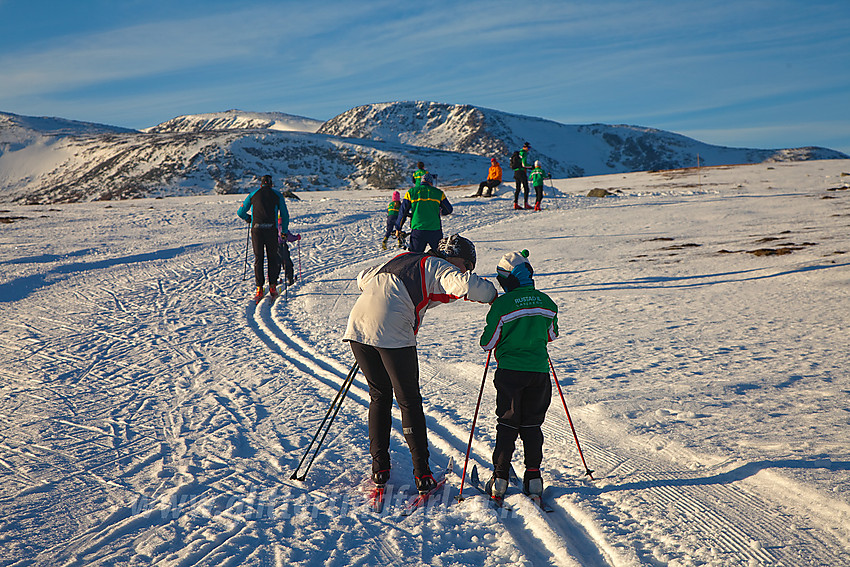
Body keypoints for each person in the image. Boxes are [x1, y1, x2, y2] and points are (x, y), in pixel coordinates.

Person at [343, 234, 497, 492]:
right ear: (453, 257)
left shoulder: (405, 258)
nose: (466, 270)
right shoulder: (437, 265)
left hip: (358, 327)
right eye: (466, 265)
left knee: (379, 396)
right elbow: (467, 286)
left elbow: (363, 278)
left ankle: (379, 470)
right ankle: (423, 476)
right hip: (392, 331)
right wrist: (494, 295)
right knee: (409, 401)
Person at [479, 249, 559, 499]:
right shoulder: (546, 302)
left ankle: (500, 479)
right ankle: (534, 477)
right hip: (538, 372)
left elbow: (488, 343)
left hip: (510, 373)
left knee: (507, 423)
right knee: (533, 425)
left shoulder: (503, 304)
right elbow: (552, 335)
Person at [237, 175, 289, 302]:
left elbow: (240, 212)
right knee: (272, 257)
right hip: (271, 230)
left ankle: (259, 288)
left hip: (257, 230)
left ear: (261, 184)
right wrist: (285, 231)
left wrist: (248, 219)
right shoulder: (277, 195)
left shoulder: (253, 194)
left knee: (258, 258)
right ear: (271, 184)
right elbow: (285, 214)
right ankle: (272, 287)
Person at [394, 173, 453, 254]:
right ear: (431, 182)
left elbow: (403, 211)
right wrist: (440, 212)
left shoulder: (411, 192)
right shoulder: (438, 193)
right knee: (440, 256)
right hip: (435, 230)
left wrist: (398, 228)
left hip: (418, 230)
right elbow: (449, 209)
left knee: (415, 256)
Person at [512, 142, 533, 210]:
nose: (529, 150)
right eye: (529, 148)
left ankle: (516, 204)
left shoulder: (518, 153)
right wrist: (531, 167)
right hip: (521, 172)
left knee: (517, 188)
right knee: (526, 188)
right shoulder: (524, 153)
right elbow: (524, 164)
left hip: (516, 172)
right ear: (525, 147)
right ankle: (526, 204)